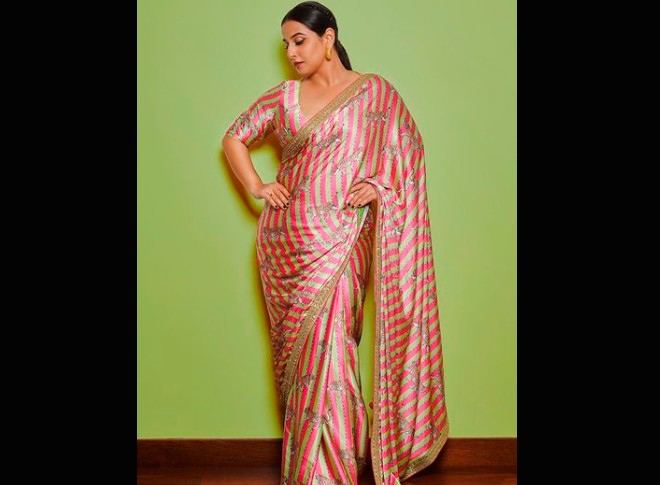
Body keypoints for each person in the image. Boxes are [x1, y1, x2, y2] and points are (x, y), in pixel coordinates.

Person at [221, 2, 448, 484]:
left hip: (344, 240)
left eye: (300, 40)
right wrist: (258, 186)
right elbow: (234, 138)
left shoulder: (374, 93)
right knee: (303, 359)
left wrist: (380, 186)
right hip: (286, 243)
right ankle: (310, 472)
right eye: (286, 44)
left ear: (328, 38)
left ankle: (335, 472)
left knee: (334, 347)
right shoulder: (284, 97)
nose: (291, 52)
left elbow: (408, 154)